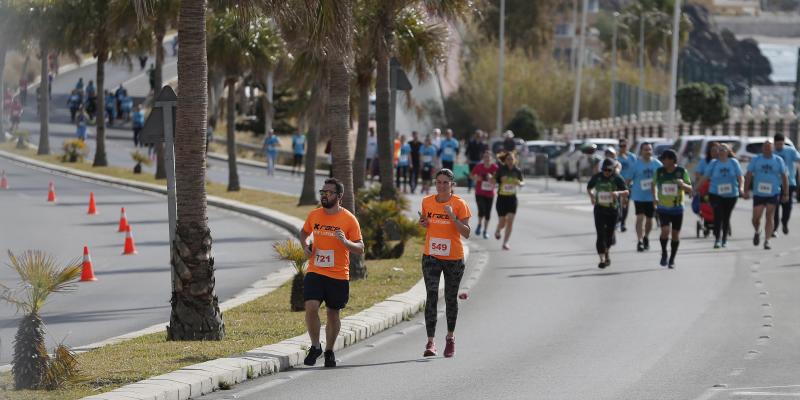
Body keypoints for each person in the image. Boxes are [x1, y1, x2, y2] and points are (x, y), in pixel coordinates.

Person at [301, 178, 364, 368]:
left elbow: (360, 248)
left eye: (329, 192)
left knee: (332, 313)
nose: (325, 195)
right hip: (316, 269)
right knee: (311, 306)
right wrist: (305, 245)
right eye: (323, 192)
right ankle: (315, 346)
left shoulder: (349, 219)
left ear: (339, 196)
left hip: (338, 274)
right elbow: (304, 232)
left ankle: (329, 350)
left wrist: (346, 243)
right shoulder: (314, 215)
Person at [418, 168, 471, 358]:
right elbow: (425, 222)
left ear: (452, 185)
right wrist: (423, 223)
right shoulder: (427, 201)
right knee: (431, 294)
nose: (441, 186)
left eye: (445, 183)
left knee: (450, 297)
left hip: (454, 258)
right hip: (431, 255)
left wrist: (452, 217)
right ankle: (430, 342)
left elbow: (466, 232)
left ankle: (450, 337)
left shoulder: (459, 204)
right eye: (438, 182)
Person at [743, 139, 788, 250]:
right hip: (759, 193)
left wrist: (786, 193)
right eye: (765, 147)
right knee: (755, 219)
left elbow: (784, 177)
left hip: (773, 192)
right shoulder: (756, 159)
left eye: (769, 147)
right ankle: (757, 231)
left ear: (772, 149)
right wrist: (746, 190)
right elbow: (748, 174)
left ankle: (767, 241)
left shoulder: (778, 160)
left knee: (769, 216)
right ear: (762, 149)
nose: (767, 149)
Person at [696, 143, 743, 249]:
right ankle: (717, 239)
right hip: (715, 193)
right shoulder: (713, 163)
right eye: (720, 149)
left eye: (724, 149)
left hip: (731, 195)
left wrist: (741, 188)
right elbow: (704, 177)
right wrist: (695, 189)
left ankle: (724, 239)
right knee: (718, 216)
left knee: (726, 217)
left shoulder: (734, 162)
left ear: (728, 151)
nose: (721, 151)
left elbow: (740, 177)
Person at [652, 149, 692, 268]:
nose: (663, 161)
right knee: (665, 231)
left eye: (665, 159)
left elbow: (690, 189)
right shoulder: (659, 172)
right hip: (663, 207)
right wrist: (654, 197)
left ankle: (672, 259)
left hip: (677, 208)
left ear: (672, 160)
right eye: (662, 159)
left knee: (675, 234)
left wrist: (682, 184)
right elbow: (653, 185)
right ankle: (664, 252)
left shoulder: (681, 171)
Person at [587, 158, 629, 269]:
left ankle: (606, 253)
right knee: (600, 235)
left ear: (613, 169)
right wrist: (592, 196)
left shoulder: (617, 178)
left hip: (612, 210)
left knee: (609, 236)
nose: (606, 172)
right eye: (604, 170)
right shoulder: (597, 177)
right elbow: (589, 187)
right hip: (599, 209)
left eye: (609, 170)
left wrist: (618, 193)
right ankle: (601, 259)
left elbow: (626, 191)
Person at [628, 142, 662, 252]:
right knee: (640, 217)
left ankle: (646, 236)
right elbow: (628, 180)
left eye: (649, 149)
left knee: (649, 219)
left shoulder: (657, 164)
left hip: (652, 196)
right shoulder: (636, 165)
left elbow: (664, 177)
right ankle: (640, 241)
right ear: (641, 151)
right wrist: (624, 192)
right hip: (638, 195)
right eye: (645, 149)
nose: (648, 152)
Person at [494, 152, 524, 250]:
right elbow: (494, 180)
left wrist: (520, 183)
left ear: (514, 160)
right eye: (508, 159)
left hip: (512, 198)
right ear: (505, 161)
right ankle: (498, 230)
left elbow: (522, 181)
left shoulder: (517, 171)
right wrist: (493, 179)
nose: (510, 161)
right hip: (501, 198)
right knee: (502, 222)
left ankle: (505, 242)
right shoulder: (501, 170)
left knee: (510, 221)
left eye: (511, 159)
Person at [772, 133, 799, 235]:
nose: (779, 146)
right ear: (774, 143)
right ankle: (774, 228)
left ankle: (784, 222)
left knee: (787, 206)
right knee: (774, 206)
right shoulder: (772, 152)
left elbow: (798, 158)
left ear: (783, 143)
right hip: (775, 183)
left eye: (781, 144)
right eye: (777, 144)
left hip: (789, 182)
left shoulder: (790, 150)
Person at [472, 149, 498, 239]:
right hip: (479, 192)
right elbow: (472, 176)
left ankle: (485, 231)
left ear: (492, 158)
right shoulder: (479, 166)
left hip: (490, 193)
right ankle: (479, 224)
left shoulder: (495, 168)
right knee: (481, 209)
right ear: (483, 158)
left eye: (488, 157)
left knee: (488, 212)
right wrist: (476, 178)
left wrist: (492, 178)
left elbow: (498, 180)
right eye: (485, 157)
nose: (487, 158)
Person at [617, 138, 637, 232]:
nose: (623, 148)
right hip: (617, 184)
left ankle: (623, 223)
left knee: (625, 204)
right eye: (621, 146)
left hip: (628, 184)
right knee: (617, 203)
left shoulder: (632, 157)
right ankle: (617, 219)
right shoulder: (616, 157)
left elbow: (635, 169)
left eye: (624, 146)